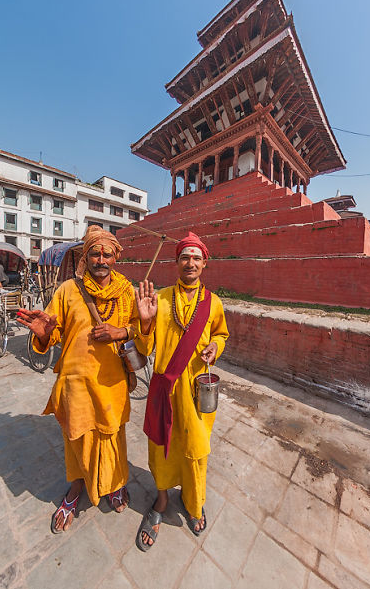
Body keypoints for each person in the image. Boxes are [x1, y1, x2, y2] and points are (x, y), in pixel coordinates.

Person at [16, 225, 142, 534]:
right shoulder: (66, 291)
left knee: (113, 440)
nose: (101, 259)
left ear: (116, 258)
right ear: (85, 258)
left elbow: (144, 330)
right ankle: (75, 491)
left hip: (112, 385)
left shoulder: (127, 292)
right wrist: (45, 336)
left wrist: (121, 332)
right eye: (95, 254)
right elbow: (52, 330)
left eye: (107, 254)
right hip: (75, 385)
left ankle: (114, 485)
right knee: (75, 442)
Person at [136, 232, 229, 551]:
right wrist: (146, 324)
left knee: (196, 450)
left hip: (196, 393)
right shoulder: (160, 299)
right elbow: (144, 346)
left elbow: (222, 334)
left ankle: (194, 501)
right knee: (161, 449)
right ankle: (161, 501)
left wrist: (215, 346)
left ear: (205, 263)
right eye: (184, 257)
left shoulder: (213, 302)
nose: (190, 263)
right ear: (176, 262)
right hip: (165, 388)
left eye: (196, 257)